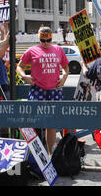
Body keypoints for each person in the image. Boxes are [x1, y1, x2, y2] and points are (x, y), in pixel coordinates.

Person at [17, 27, 69, 156]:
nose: (45, 43)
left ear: (52, 38)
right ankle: (32, 155)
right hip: (37, 89)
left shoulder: (58, 49)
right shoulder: (32, 50)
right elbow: (19, 66)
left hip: (54, 90)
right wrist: (24, 77)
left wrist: (64, 78)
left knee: (51, 123)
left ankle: (50, 154)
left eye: (48, 40)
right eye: (42, 40)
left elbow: (66, 67)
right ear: (39, 38)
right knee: (33, 121)